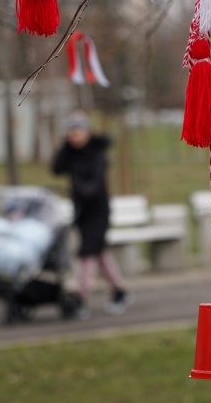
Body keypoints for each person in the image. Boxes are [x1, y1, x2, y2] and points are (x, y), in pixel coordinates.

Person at [52, 111, 132, 318]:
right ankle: (120, 292)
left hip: (98, 210)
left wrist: (78, 187)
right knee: (99, 253)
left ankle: (80, 297)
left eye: (78, 131)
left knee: (87, 252)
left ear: (87, 132)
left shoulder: (97, 152)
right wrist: (65, 148)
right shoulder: (70, 152)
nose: (75, 136)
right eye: (71, 132)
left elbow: (94, 186)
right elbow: (56, 168)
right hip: (82, 212)